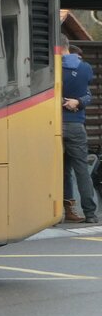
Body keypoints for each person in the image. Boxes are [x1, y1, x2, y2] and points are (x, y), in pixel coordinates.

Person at [62, 45, 97, 224]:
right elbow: (87, 93)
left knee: (61, 170)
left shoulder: (52, 69)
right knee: (81, 169)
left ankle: (67, 209)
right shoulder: (85, 68)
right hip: (76, 124)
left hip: (52, 124)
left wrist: (64, 101)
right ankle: (90, 213)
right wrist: (78, 101)